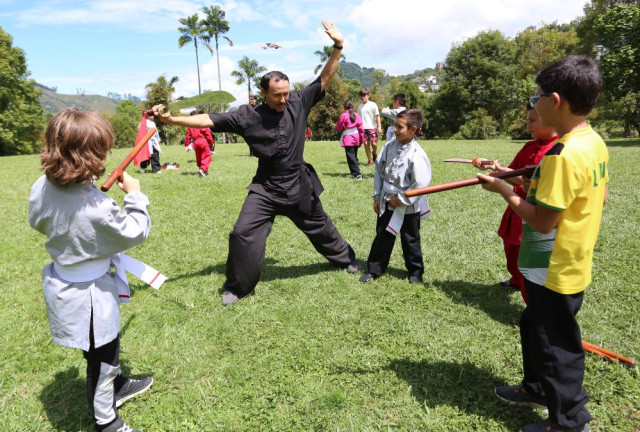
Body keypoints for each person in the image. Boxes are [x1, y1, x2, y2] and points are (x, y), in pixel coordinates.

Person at [152, 20, 360, 306]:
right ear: (264, 93)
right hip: (266, 187)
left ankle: (346, 259)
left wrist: (338, 47)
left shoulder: (298, 102)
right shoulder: (246, 116)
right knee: (242, 233)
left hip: (298, 183)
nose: (283, 99)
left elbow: (324, 78)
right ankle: (238, 287)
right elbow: (207, 120)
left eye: (286, 93)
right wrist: (172, 119)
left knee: (320, 225)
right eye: (277, 95)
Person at [477, 56, 608, 432]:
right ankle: (536, 388)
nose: (532, 105)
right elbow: (595, 194)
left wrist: (501, 187)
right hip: (571, 261)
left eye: (535, 98)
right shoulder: (591, 142)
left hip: (554, 268)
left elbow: (541, 219)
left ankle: (569, 422)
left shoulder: (561, 156)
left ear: (554, 100)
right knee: (534, 324)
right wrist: (521, 178)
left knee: (557, 349)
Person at [28, 108, 154, 432]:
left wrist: (87, 189)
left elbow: (37, 220)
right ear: (88, 155)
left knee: (96, 346)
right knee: (104, 357)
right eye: (101, 151)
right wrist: (136, 196)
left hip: (64, 282)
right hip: (91, 296)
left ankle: (118, 385)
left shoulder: (42, 186)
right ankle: (107, 422)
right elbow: (134, 231)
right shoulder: (97, 208)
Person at [477, 106, 557, 301]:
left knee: (526, 255)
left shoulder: (556, 150)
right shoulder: (529, 146)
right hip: (515, 207)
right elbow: (514, 175)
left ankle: (532, 304)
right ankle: (515, 279)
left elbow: (529, 181)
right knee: (511, 247)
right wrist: (499, 171)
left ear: (548, 119)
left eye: (532, 121)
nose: (527, 125)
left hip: (533, 211)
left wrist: (500, 177)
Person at [359, 109, 432, 285]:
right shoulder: (389, 146)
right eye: (395, 126)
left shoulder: (417, 155)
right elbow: (379, 171)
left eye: (400, 127)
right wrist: (377, 196)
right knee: (382, 235)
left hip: (408, 205)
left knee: (410, 238)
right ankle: (375, 269)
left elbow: (420, 185)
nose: (395, 130)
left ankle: (415, 271)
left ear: (413, 130)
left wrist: (400, 200)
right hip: (386, 200)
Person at [336, 100, 364, 179]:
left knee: (351, 156)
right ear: (353, 107)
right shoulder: (357, 115)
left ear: (344, 107)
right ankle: (355, 171)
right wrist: (361, 139)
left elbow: (338, 127)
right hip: (356, 136)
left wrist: (342, 128)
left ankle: (357, 174)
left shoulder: (344, 115)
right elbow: (361, 129)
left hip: (348, 138)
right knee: (354, 155)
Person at [184, 110, 215, 177]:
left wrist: (186, 145)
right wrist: (211, 142)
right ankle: (203, 169)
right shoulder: (201, 123)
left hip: (195, 143)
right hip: (202, 141)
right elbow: (208, 134)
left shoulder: (189, 126)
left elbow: (188, 136)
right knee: (207, 156)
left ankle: (202, 170)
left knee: (199, 157)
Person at [357, 88, 382, 166]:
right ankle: (370, 160)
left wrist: (379, 127)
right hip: (363, 128)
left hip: (372, 127)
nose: (363, 97)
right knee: (366, 144)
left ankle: (374, 153)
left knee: (374, 143)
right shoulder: (360, 106)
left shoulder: (373, 104)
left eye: (364, 95)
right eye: (361, 95)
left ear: (368, 96)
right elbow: (358, 118)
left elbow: (377, 116)